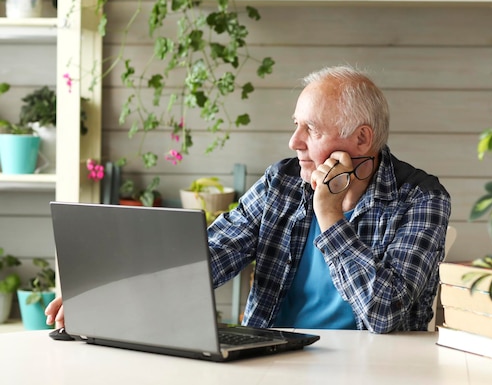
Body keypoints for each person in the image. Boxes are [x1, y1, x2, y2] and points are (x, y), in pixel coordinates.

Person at [46, 65, 451, 334]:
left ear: (361, 139)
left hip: (372, 370)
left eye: (311, 129)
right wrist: (108, 294)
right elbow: (209, 256)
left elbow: (386, 314)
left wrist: (329, 216)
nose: (295, 143)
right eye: (297, 126)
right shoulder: (283, 183)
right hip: (272, 362)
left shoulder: (421, 199)